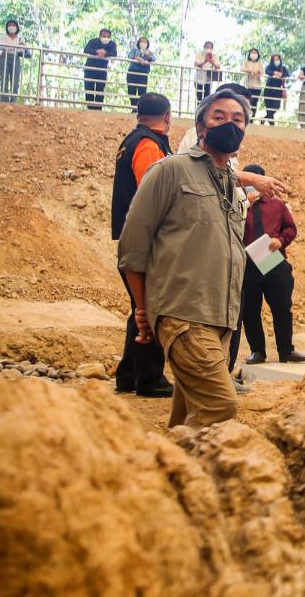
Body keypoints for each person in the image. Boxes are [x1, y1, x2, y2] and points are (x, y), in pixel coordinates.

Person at [118, 90, 252, 428]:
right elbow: (133, 246)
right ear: (201, 126)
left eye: (238, 120)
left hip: (220, 319)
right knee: (221, 406)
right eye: (219, 117)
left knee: (188, 416)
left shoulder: (231, 187)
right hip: (184, 315)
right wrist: (143, 308)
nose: (229, 125)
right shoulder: (169, 170)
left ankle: (171, 470)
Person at [111, 92, 175, 398]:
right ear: (167, 117)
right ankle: (149, 379)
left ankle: (129, 374)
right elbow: (152, 194)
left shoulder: (131, 141)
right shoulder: (149, 146)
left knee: (140, 308)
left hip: (135, 239)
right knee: (152, 308)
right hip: (146, 242)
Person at [239, 164, 305, 365]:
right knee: (250, 309)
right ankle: (257, 352)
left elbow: (291, 228)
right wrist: (245, 206)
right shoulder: (237, 204)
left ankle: (286, 350)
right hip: (248, 261)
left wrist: (280, 240)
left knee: (281, 307)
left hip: (271, 258)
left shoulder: (277, 205)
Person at [0, 19, 29, 104]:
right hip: (4, 58)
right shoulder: (3, 36)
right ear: (7, 27)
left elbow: (21, 49)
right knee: (4, 79)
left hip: (15, 58)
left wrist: (9, 48)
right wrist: (15, 47)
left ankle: (13, 101)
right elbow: (1, 47)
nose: (11, 27)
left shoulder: (20, 38)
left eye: (14, 25)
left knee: (15, 80)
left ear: (17, 27)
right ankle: (4, 101)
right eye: (10, 25)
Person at [82, 29, 117, 110]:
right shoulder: (93, 41)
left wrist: (105, 53)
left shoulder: (112, 44)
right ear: (100, 36)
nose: (106, 38)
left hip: (102, 70)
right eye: (104, 36)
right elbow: (86, 50)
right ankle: (90, 108)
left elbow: (114, 53)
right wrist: (97, 51)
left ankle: (98, 109)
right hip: (90, 69)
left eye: (108, 36)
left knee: (100, 89)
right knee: (89, 88)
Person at [126, 37, 156, 111]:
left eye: (145, 42)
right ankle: (134, 107)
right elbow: (130, 56)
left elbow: (154, 59)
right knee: (131, 90)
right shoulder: (134, 50)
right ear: (139, 43)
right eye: (141, 41)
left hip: (143, 74)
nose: (143, 43)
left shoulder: (149, 52)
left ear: (147, 44)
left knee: (142, 92)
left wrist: (148, 55)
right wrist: (138, 58)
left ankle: (139, 109)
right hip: (133, 72)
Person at [262, 54, 289, 125]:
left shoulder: (283, 68)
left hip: (277, 90)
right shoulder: (270, 67)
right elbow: (266, 71)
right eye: (274, 59)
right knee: (269, 108)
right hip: (268, 89)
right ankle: (272, 124)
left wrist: (280, 75)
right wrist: (274, 73)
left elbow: (287, 74)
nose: (276, 61)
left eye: (277, 59)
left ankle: (264, 119)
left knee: (277, 106)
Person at [241, 49, 264, 117]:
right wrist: (249, 71)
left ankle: (253, 116)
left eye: (255, 53)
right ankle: (246, 115)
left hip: (257, 85)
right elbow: (242, 69)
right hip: (247, 85)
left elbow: (262, 72)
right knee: (247, 101)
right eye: (252, 52)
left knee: (255, 101)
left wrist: (258, 73)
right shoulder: (246, 61)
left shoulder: (260, 63)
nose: (254, 54)